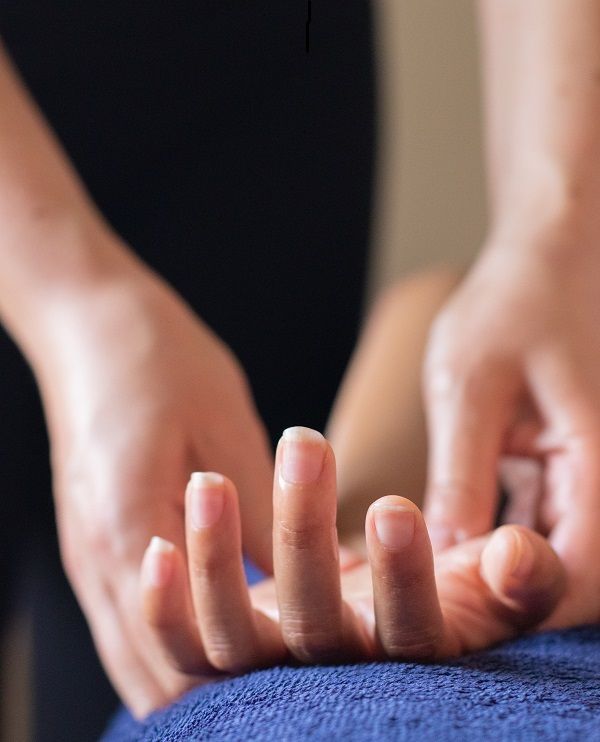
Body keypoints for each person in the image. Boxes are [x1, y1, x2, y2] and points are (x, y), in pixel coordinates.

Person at [1, 0, 600, 732]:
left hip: (267, 63)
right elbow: (423, 311)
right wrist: (71, 301)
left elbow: (428, 312)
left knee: (152, 631)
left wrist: (555, 238)